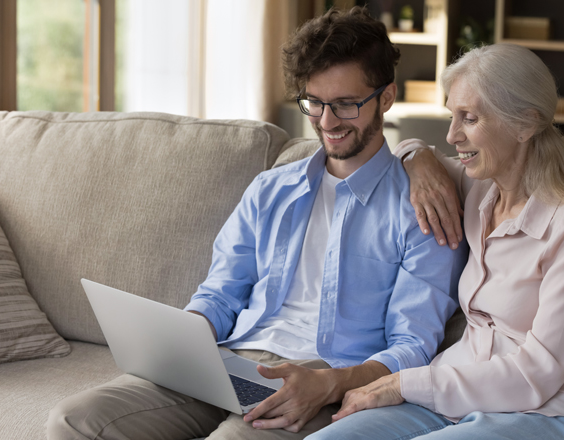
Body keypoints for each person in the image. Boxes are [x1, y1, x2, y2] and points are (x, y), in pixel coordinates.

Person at [46, 7, 467, 440]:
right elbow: (220, 293)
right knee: (74, 420)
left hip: (328, 378)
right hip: (230, 358)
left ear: (386, 96)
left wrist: (332, 384)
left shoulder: (423, 207)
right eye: (315, 103)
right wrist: (184, 341)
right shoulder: (270, 189)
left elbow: (412, 345)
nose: (326, 121)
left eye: (344, 104)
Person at [307, 43, 564, 440]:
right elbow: (406, 151)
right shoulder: (479, 188)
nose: (452, 134)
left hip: (547, 413)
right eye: (451, 116)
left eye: (470, 118)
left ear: (525, 124)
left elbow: (540, 372)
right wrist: (420, 159)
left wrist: (404, 383)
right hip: (456, 397)